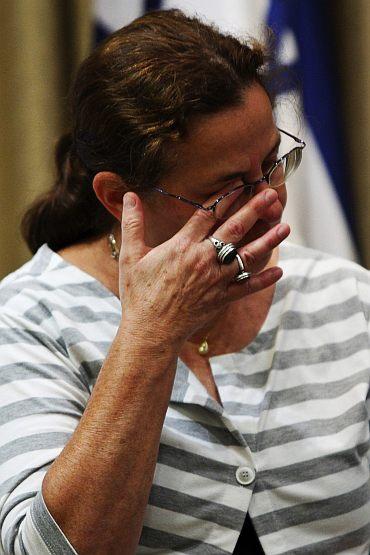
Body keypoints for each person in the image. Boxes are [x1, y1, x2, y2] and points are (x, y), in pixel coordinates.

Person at [0, 9, 369, 555]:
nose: (269, 201)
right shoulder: (28, 320)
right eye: (226, 189)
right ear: (116, 197)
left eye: (271, 163)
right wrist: (149, 335)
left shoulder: (348, 297)